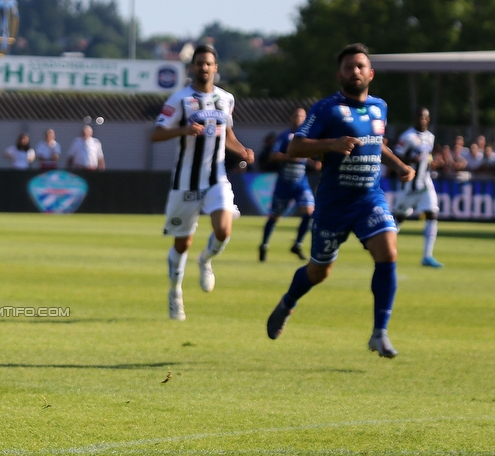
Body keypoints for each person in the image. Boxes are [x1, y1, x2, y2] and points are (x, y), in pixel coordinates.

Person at [266, 44, 415, 358]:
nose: (355, 71)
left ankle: (379, 332)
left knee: (388, 251)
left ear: (370, 73)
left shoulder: (380, 107)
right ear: (340, 74)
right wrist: (332, 143)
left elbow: (376, 144)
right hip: (333, 204)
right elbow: (295, 149)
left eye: (361, 66)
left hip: (368, 199)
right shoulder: (326, 108)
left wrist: (399, 165)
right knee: (320, 271)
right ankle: (288, 303)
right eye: (349, 67)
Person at [151, 44, 254, 321]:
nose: (204, 68)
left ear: (215, 68)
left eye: (208, 63)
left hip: (216, 177)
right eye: (199, 63)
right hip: (185, 182)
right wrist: (184, 129)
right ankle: (175, 294)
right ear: (192, 67)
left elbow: (227, 134)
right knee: (182, 243)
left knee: (223, 229)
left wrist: (242, 150)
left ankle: (205, 260)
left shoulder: (226, 99)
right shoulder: (179, 100)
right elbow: (156, 134)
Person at [259, 107, 318, 262]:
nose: (299, 119)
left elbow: (306, 156)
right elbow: (273, 155)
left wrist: (313, 163)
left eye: (302, 117)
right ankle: (264, 245)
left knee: (310, 213)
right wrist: (289, 157)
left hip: (301, 182)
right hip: (285, 182)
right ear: (292, 118)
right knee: (275, 217)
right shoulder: (285, 136)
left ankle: (297, 244)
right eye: (297, 116)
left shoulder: (307, 136)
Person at [390, 108, 442, 268]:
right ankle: (383, 246)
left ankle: (427, 256)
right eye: (420, 117)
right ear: (415, 119)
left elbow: (428, 156)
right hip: (409, 184)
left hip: (425, 182)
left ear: (428, 119)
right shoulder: (408, 137)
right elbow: (395, 155)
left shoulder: (430, 137)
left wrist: (431, 161)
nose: (422, 120)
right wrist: (411, 159)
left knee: (432, 213)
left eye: (425, 117)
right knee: (398, 217)